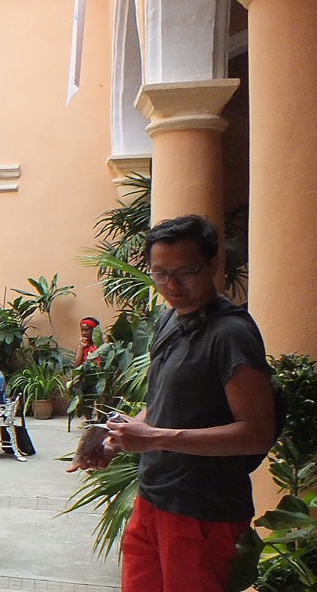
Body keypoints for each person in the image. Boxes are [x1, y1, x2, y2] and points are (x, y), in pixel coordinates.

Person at [73, 215, 275, 592]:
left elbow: (256, 433)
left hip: (203, 512)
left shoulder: (231, 334)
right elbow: (162, 403)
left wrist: (153, 439)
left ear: (213, 264)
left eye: (185, 271)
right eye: (160, 273)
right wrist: (116, 437)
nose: (171, 285)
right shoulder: (169, 319)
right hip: (153, 498)